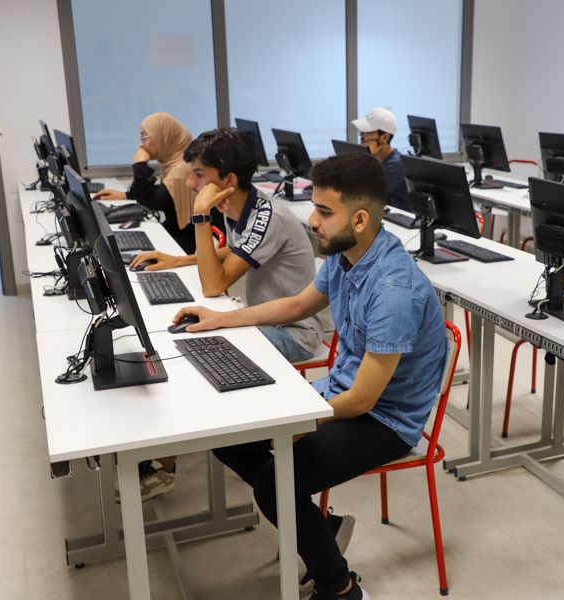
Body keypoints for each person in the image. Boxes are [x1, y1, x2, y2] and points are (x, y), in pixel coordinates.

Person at [173, 152, 447, 599]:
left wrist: (295, 420)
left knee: (275, 485)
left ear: (359, 219)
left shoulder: (394, 290)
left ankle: (340, 588)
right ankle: (321, 528)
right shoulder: (347, 254)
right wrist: (220, 318)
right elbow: (299, 305)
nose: (312, 221)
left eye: (323, 211)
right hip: (340, 393)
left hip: (385, 419)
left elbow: (363, 400)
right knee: (228, 436)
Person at [130, 128, 323, 363]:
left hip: (294, 333)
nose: (190, 183)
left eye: (199, 175)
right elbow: (235, 249)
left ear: (229, 180)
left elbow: (213, 286)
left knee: (205, 346)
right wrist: (179, 260)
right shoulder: (235, 206)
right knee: (196, 339)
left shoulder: (268, 217)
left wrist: (201, 215)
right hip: (263, 319)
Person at [95, 112, 220, 254]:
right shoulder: (172, 163)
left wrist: (140, 164)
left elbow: (152, 202)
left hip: (184, 246)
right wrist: (126, 195)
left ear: (163, 137)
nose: (141, 144)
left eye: (145, 137)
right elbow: (161, 194)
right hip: (177, 238)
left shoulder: (182, 168)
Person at [352, 107, 411, 212]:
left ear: (385, 138)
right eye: (362, 132)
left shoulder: (397, 165)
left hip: (397, 220)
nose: (362, 137)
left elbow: (366, 194)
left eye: (367, 132)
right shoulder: (374, 161)